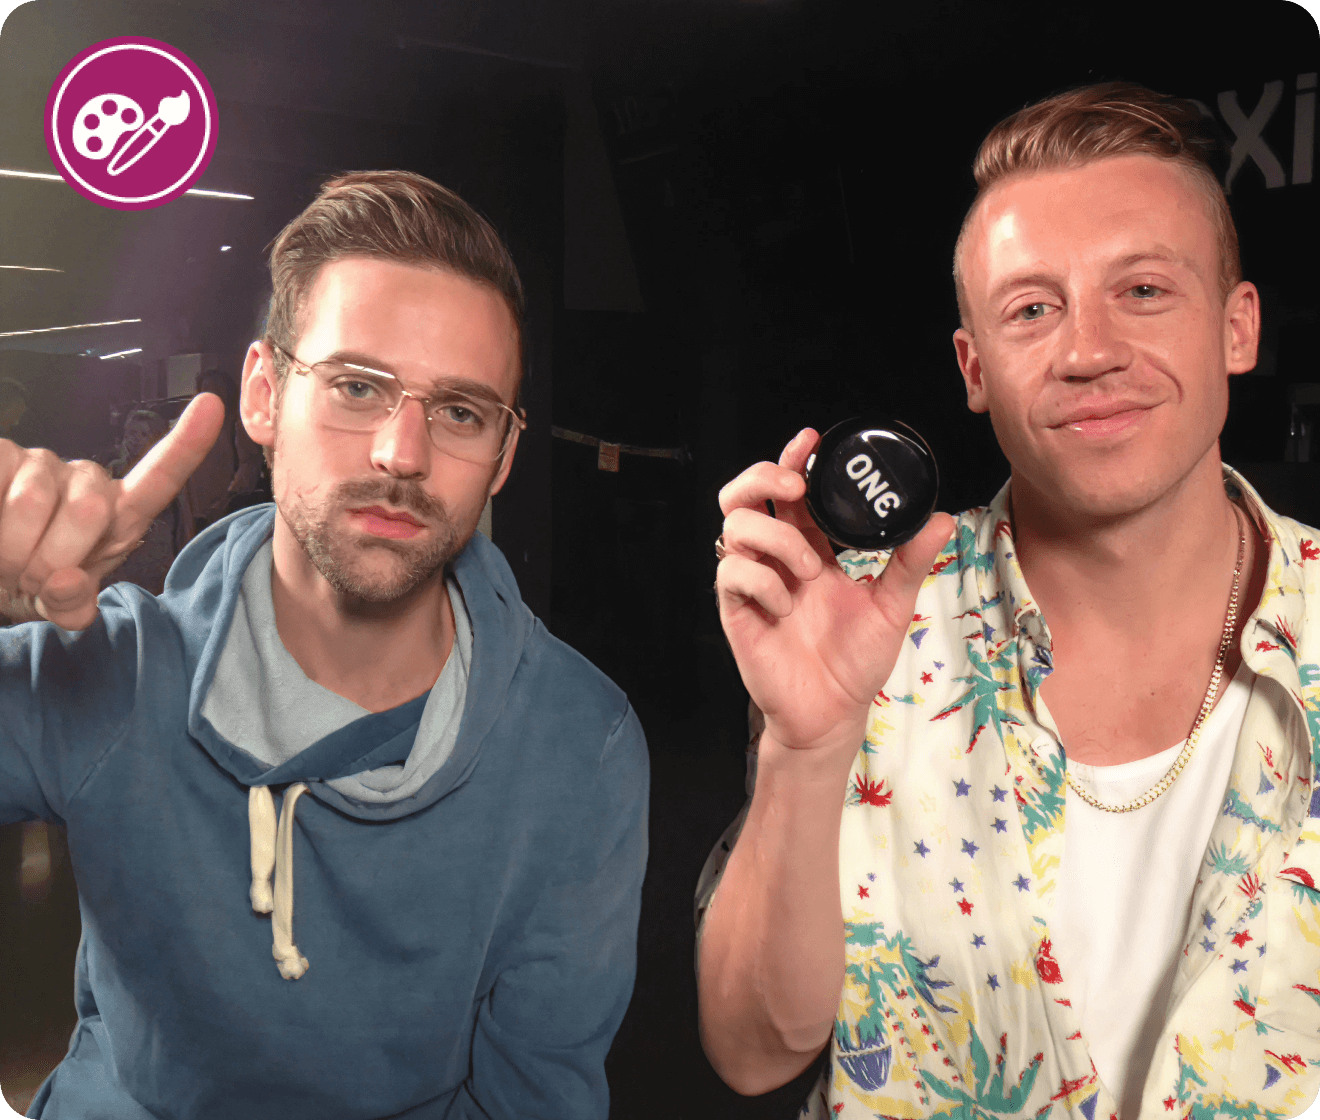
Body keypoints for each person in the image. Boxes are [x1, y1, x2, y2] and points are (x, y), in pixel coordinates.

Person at [697, 82, 1320, 1120]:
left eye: (1146, 291)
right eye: (1034, 308)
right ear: (974, 367)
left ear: (1237, 327)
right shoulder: (861, 630)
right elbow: (754, 1051)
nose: (1089, 352)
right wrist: (806, 750)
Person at [0, 170, 649, 1119]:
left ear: (504, 458)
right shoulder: (110, 673)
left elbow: (534, 1099)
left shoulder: (578, 744)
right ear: (264, 395)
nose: (402, 452)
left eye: (461, 412)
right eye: (355, 386)